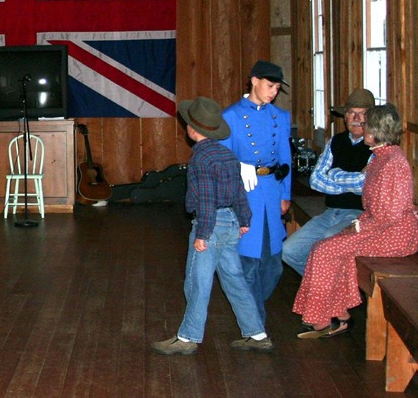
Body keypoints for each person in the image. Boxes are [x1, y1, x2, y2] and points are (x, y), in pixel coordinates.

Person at [152, 97, 274, 356]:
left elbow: (206, 199)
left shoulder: (200, 158)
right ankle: (257, 333)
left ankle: (187, 337)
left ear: (192, 129)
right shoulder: (228, 155)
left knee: (197, 281)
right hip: (231, 223)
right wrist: (244, 220)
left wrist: (203, 234)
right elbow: (239, 192)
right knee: (234, 280)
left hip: (212, 225)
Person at [293, 103, 418, 338]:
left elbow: (391, 215)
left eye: (366, 125)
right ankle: (339, 315)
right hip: (381, 227)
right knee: (326, 247)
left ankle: (323, 320)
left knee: (327, 249)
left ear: (374, 132)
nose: (361, 128)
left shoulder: (393, 163)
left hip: (398, 234)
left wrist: (359, 226)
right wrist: (359, 225)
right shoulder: (380, 158)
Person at [221, 60, 292, 325]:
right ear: (254, 81)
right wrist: (238, 169)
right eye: (269, 85)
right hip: (245, 193)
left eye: (276, 87)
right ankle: (254, 322)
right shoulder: (230, 117)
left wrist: (286, 194)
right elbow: (223, 159)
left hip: (272, 190)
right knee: (248, 262)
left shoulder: (280, 117)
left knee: (273, 263)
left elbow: (285, 158)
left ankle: (250, 309)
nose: (273, 91)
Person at [282, 88, 375, 276]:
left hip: (359, 216)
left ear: (371, 117)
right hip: (330, 212)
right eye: (351, 113)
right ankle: (322, 290)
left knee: (327, 242)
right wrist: (352, 180)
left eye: (362, 113)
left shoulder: (376, 145)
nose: (356, 118)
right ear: (345, 117)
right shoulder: (336, 141)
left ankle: (329, 296)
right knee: (289, 251)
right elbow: (316, 181)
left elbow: (365, 186)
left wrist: (334, 174)